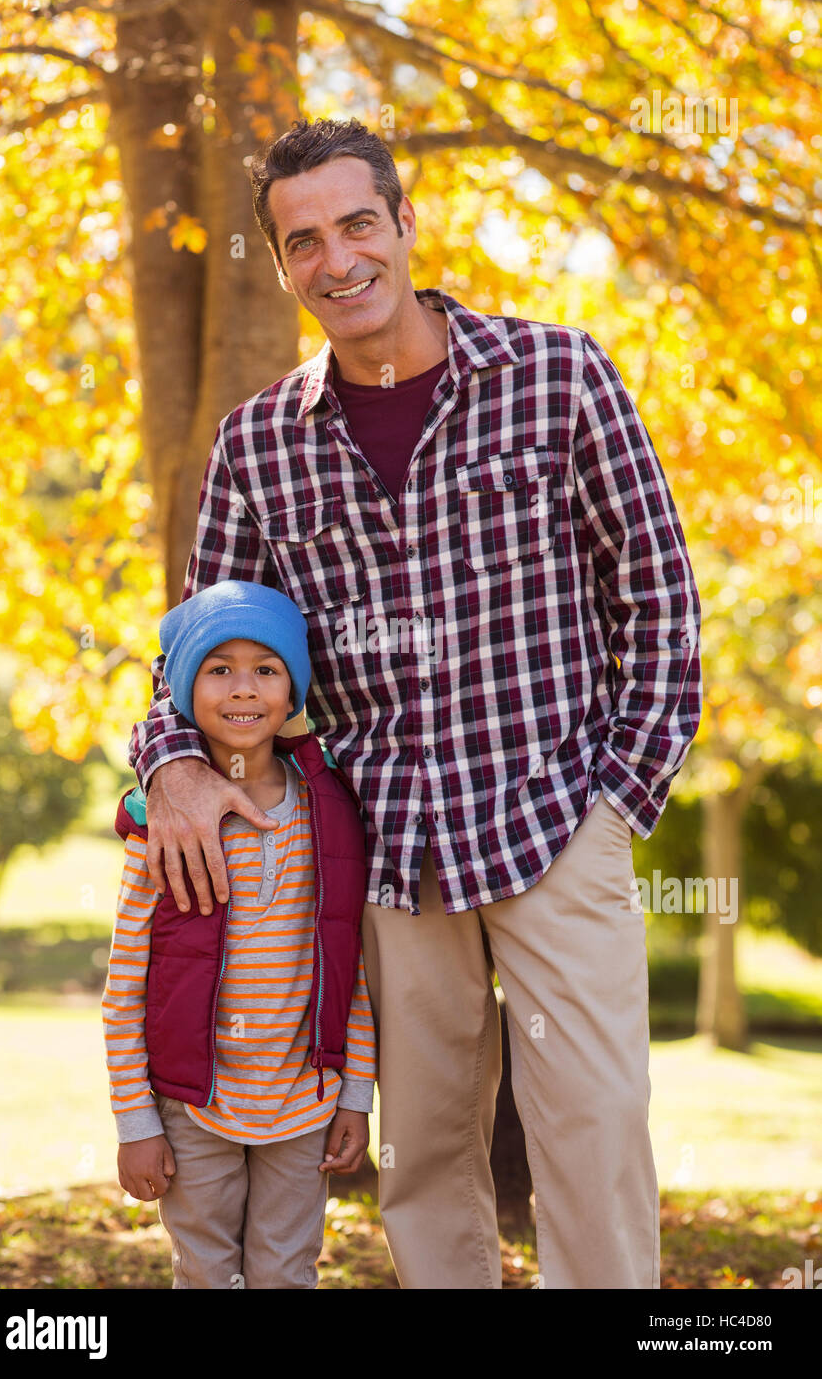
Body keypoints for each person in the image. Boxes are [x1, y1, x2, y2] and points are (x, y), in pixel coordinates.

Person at [127, 118, 703, 1289]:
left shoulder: (556, 375)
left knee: (590, 1129)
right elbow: (195, 651)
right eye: (302, 242)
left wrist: (618, 797)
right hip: (387, 847)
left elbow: (659, 602)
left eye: (354, 225)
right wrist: (171, 762)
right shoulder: (255, 448)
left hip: (554, 821)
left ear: (401, 223)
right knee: (423, 1151)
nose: (335, 260)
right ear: (280, 266)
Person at [104, 578, 375, 1289]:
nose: (243, 688)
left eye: (266, 668)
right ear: (187, 693)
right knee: (206, 1272)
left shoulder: (333, 813)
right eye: (218, 670)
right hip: (193, 1103)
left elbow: (352, 971)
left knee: (287, 1273)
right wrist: (136, 1121)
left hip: (304, 1100)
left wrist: (355, 1095)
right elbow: (125, 983)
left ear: (293, 692)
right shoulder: (164, 827)